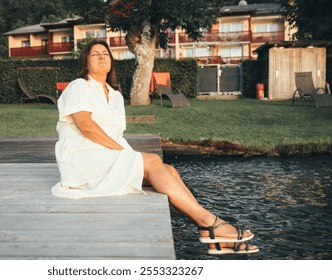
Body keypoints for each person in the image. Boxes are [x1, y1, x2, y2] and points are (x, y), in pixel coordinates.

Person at [51, 40, 259, 255]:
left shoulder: (115, 96)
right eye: (95, 54)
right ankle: (212, 224)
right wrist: (125, 155)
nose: (102, 56)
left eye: (106, 53)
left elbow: (116, 135)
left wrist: (127, 155)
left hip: (104, 154)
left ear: (112, 61)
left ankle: (210, 229)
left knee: (167, 169)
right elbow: (86, 126)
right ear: (86, 62)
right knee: (151, 161)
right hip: (81, 157)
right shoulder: (78, 86)